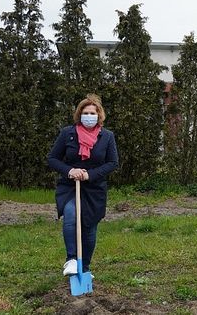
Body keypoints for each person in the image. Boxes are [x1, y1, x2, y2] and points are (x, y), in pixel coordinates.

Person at [48, 94, 118, 276]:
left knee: (89, 228)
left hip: (94, 188)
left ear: (99, 115)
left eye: (92, 113)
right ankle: (71, 260)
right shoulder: (67, 134)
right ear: (80, 114)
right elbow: (53, 158)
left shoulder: (107, 137)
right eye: (85, 112)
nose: (89, 116)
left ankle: (84, 267)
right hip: (70, 186)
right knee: (70, 214)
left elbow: (112, 162)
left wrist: (90, 175)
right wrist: (70, 171)